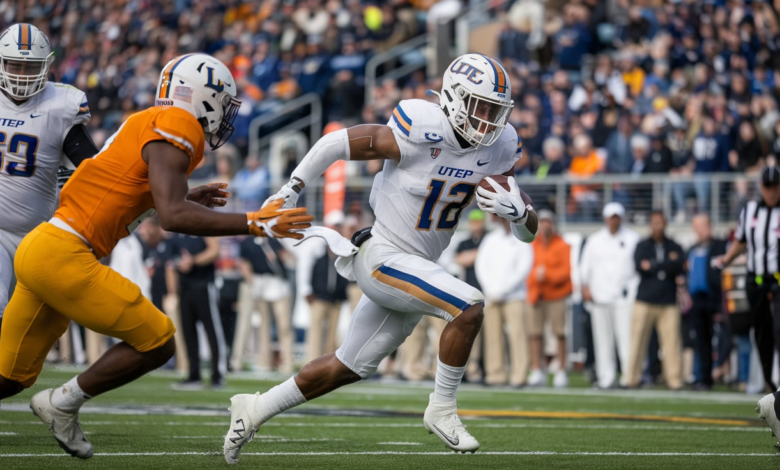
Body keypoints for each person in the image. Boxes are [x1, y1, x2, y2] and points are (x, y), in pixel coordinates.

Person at [224, 53, 538, 462]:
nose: (488, 120)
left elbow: (528, 233)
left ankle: (254, 408)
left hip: (419, 267)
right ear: (456, 98)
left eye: (496, 111)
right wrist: (292, 188)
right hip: (383, 254)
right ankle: (442, 408)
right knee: (469, 306)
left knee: (347, 367)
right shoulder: (421, 127)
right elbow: (337, 142)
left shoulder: (498, 148)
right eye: (481, 107)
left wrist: (520, 215)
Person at [0, 53, 312, 459]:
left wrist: (181, 196)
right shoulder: (178, 123)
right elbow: (174, 216)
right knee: (159, 341)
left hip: (41, 246)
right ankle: (63, 403)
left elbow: (132, 195)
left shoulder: (145, 120)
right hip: (63, 254)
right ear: (202, 96)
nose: (224, 114)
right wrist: (255, 222)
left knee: (9, 376)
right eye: (222, 102)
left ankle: (59, 403)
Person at [0, 24, 100, 328]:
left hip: (41, 234)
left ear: (46, 66)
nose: (20, 73)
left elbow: (92, 166)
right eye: (14, 64)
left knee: (43, 324)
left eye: (29, 66)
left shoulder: (60, 105)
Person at [717, 167, 780, 443]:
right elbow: (741, 242)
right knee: (762, 335)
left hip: (778, 281)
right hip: (755, 281)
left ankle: (777, 394)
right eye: (767, 186)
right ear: (761, 187)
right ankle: (771, 387)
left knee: (779, 332)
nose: (771, 191)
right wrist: (725, 260)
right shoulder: (750, 210)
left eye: (775, 186)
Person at [579, 202, 640, 389]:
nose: (613, 220)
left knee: (626, 340)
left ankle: (628, 378)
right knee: (602, 342)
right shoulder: (595, 240)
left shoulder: (633, 238)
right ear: (606, 219)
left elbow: (636, 272)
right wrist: (585, 287)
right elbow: (584, 268)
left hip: (623, 298)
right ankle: (607, 378)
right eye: (610, 217)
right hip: (600, 297)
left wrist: (632, 293)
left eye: (616, 217)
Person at [626, 211, 684, 391]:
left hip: (668, 301)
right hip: (645, 300)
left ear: (665, 224)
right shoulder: (642, 245)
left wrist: (654, 266)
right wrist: (665, 267)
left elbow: (679, 265)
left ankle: (674, 380)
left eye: (660, 222)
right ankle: (631, 379)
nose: (657, 226)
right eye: (654, 223)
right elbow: (639, 266)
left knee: (672, 343)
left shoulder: (674, 245)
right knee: (637, 342)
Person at [475, 215, 533, 387]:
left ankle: (519, 375)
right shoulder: (491, 239)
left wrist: (504, 290)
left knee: (518, 336)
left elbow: (524, 268)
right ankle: (495, 375)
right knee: (493, 337)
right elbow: (481, 265)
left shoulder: (522, 238)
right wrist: (490, 289)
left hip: (514, 297)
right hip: (492, 295)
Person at [167, 234, 226, 390]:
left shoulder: (201, 225)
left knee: (212, 331)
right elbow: (170, 264)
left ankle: (217, 375)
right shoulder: (176, 232)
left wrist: (193, 261)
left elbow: (214, 251)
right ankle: (194, 374)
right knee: (188, 333)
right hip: (184, 288)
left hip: (204, 285)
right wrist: (172, 292)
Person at [526, 210, 572, 388]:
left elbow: (566, 272)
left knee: (559, 333)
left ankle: (561, 369)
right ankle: (537, 368)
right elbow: (525, 269)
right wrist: (535, 278)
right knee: (535, 333)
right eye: (542, 222)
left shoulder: (562, 245)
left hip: (557, 294)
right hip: (537, 294)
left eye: (548, 222)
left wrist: (547, 275)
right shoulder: (531, 244)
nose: (545, 226)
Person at [236, 233, 293, 373]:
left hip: (277, 283)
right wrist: (251, 281)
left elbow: (289, 259)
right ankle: (264, 362)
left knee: (284, 326)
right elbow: (243, 263)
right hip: (259, 282)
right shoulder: (248, 242)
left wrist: (282, 256)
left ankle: (287, 363)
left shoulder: (274, 241)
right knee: (263, 326)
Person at [686, 213, 727, 390]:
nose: (701, 230)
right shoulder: (692, 249)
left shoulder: (720, 246)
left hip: (714, 300)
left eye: (704, 225)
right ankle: (702, 377)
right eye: (698, 226)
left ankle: (717, 374)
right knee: (700, 341)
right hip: (697, 301)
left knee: (719, 340)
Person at [454, 209, 487, 382]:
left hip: (487, 291)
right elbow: (459, 259)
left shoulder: (489, 239)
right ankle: (469, 369)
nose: (476, 224)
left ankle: (481, 369)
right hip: (469, 292)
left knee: (487, 335)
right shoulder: (465, 242)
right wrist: (478, 254)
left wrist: (475, 255)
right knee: (470, 332)